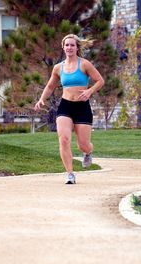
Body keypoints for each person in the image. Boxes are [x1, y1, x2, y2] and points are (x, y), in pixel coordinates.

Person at [34, 34, 104, 184]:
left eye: (72, 45)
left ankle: (88, 152)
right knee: (64, 139)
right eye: (67, 45)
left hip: (82, 107)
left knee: (82, 145)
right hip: (65, 105)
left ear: (77, 48)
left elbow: (100, 80)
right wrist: (41, 99)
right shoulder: (58, 68)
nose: (69, 47)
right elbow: (50, 86)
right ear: (63, 47)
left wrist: (89, 91)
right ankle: (70, 174)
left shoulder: (85, 64)